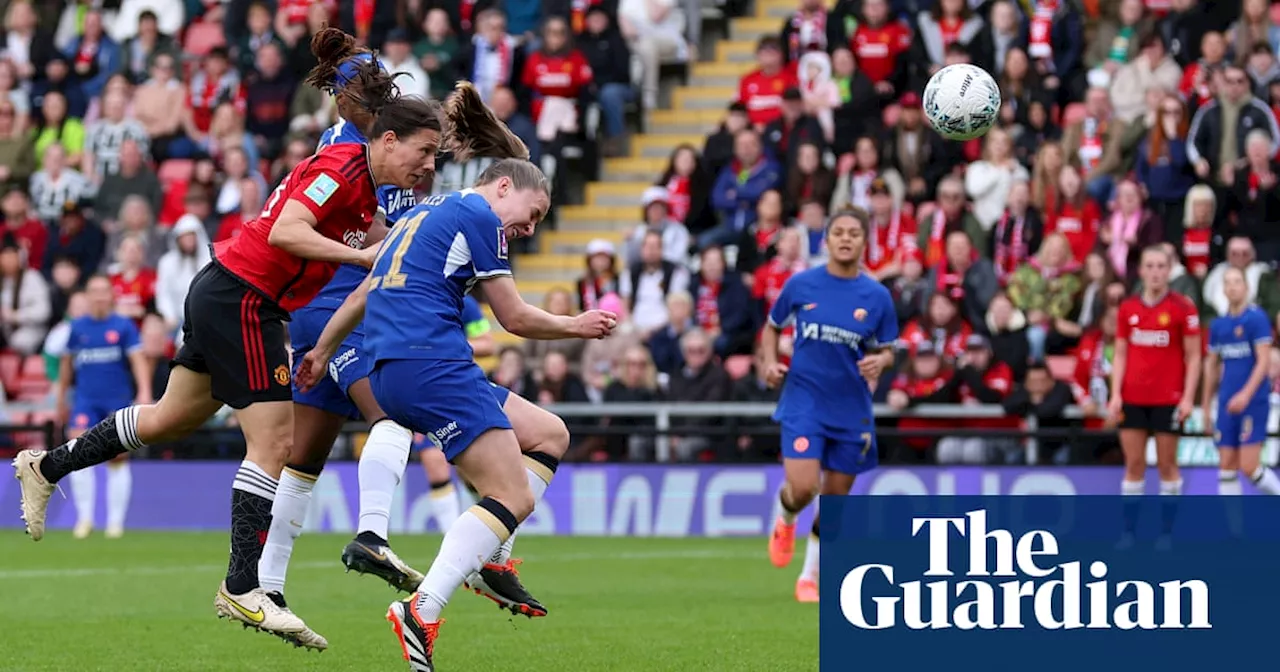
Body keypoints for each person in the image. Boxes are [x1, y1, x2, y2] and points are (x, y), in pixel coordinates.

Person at [11, 27, 443, 649]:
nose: (426, 167)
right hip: (245, 294)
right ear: (387, 136)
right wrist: (363, 257)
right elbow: (287, 232)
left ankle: (45, 466)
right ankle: (244, 587)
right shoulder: (340, 167)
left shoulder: (363, 175)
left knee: (168, 419)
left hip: (227, 289)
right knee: (275, 441)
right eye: (422, 153)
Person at [295, 159, 616, 670]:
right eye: (532, 214)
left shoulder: (422, 213)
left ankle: (490, 558)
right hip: (431, 364)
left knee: (549, 434)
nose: (530, 229)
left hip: (392, 369)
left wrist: (321, 351)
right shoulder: (480, 216)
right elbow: (511, 317)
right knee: (510, 494)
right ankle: (422, 610)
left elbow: (362, 292)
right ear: (505, 186)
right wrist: (575, 325)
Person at [257, 42, 438, 631]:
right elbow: (362, 231)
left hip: (343, 302)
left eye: (382, 83)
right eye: (368, 88)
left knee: (302, 459)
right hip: (338, 301)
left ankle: (268, 587)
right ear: (342, 97)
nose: (379, 94)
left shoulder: (390, 138)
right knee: (391, 414)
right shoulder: (345, 150)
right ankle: (372, 535)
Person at [762, 207, 897, 603]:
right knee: (804, 488)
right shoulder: (802, 284)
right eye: (838, 231)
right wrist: (770, 362)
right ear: (827, 239)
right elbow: (772, 327)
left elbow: (889, 349)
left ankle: (809, 577)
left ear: (864, 241)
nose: (845, 239)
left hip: (851, 408)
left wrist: (882, 361)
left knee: (834, 502)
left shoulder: (877, 296)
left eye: (854, 233)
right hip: (805, 399)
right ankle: (786, 515)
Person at [1108, 246, 1200, 548]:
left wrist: (1187, 398)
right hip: (1133, 397)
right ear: (1142, 270)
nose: (1156, 271)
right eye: (1150, 265)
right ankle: (1128, 532)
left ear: (1169, 269)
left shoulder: (1182, 308)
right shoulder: (1128, 309)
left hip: (1168, 399)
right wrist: (1115, 395)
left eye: (1162, 266)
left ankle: (1166, 533)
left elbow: (1194, 356)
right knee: (1134, 463)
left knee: (1166, 465)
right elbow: (1120, 353)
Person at [60, 276, 151, 540]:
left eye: (103, 291)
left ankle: (115, 523)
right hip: (85, 400)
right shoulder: (77, 328)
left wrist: (143, 390)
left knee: (118, 458)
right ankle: (84, 519)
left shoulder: (123, 326)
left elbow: (138, 360)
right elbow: (67, 366)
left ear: (111, 295)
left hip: (117, 399)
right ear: (87, 296)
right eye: (94, 291)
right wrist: (61, 397)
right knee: (77, 452)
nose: (99, 296)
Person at [414, 294, 497, 533]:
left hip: (460, 390)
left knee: (470, 470)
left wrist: (449, 347)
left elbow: (487, 343)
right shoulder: (412, 299)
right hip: (422, 391)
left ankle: (487, 531)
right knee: (434, 463)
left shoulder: (465, 303)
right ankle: (451, 539)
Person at [1203, 267, 1280, 496]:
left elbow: (1263, 361)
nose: (1233, 286)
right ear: (1224, 289)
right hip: (1227, 400)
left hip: (1253, 401)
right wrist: (1207, 405)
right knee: (1226, 463)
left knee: (1249, 466)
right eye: (1228, 282)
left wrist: (1246, 395)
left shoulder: (1256, 319)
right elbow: (1212, 366)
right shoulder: (1218, 326)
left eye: (1237, 281)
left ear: (1246, 287)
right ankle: (1234, 531)